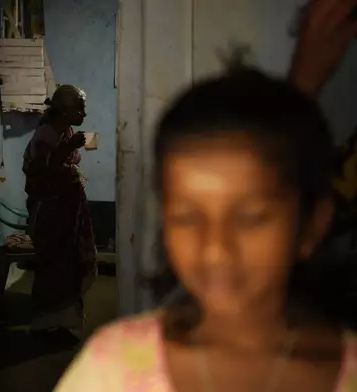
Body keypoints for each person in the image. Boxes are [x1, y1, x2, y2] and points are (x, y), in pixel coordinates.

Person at [54, 68, 357, 391]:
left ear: (312, 225)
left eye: (250, 218)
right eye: (187, 217)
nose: (215, 248)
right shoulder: (110, 366)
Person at [22, 84, 97, 340]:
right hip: (50, 212)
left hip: (65, 209)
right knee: (54, 266)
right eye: (80, 109)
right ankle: (46, 323)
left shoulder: (65, 130)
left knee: (68, 265)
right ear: (65, 112)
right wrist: (68, 148)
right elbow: (45, 169)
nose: (84, 114)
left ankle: (65, 322)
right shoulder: (46, 134)